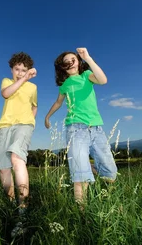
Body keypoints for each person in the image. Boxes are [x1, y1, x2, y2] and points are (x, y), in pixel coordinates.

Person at [44, 48, 117, 204]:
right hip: (75, 129)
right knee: (80, 175)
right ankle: (81, 216)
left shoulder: (87, 76)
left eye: (73, 60)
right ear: (62, 67)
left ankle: (107, 197)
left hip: (96, 129)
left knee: (110, 174)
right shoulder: (64, 85)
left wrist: (88, 58)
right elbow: (58, 102)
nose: (70, 63)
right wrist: (47, 116)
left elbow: (103, 80)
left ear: (79, 62)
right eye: (66, 62)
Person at [0, 52, 37, 213]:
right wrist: (24, 79)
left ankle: (23, 206)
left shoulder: (33, 87)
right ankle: (11, 202)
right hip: (4, 126)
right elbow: (6, 93)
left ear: (28, 70)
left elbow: (35, 106)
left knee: (17, 159)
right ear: (12, 69)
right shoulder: (7, 81)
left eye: (23, 70)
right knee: (4, 167)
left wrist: (30, 122)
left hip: (24, 125)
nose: (20, 73)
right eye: (17, 69)